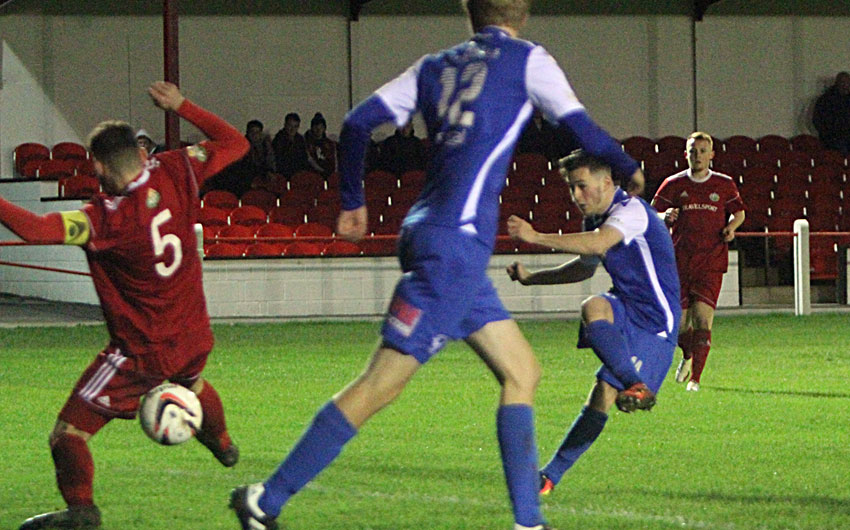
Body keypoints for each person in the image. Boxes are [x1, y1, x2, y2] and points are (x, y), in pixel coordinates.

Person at [229, 1, 643, 529]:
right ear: (525, 10)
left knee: (522, 371)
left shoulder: (434, 66)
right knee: (380, 384)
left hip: (439, 236)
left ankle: (529, 522)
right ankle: (265, 501)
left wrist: (353, 200)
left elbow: (357, 125)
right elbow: (587, 133)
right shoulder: (527, 60)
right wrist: (630, 170)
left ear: (469, 9)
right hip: (455, 247)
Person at [2, 81, 249, 530]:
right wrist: (181, 105)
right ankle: (223, 444)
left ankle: (82, 511)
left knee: (68, 434)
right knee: (190, 384)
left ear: (96, 164)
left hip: (140, 352)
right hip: (193, 333)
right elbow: (237, 143)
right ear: (140, 152)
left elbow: (36, 231)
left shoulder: (104, 220)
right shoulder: (178, 168)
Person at [505, 149, 680, 497]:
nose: (577, 196)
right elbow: (584, 267)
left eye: (582, 186)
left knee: (602, 395)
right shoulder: (595, 222)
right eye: (572, 188)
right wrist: (532, 280)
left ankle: (553, 472)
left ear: (606, 182)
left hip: (656, 325)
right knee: (593, 306)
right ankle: (634, 386)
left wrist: (536, 236)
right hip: (627, 306)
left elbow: (600, 243)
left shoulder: (630, 212)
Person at [651, 132, 745, 392]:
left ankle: (696, 380)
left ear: (712, 155)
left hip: (711, 261)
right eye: (693, 151)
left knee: (703, 320)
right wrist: (663, 215)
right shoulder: (673, 183)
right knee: (680, 325)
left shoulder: (724, 184)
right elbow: (652, 212)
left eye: (703, 151)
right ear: (686, 154)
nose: (698, 156)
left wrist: (731, 227)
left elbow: (739, 213)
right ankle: (688, 356)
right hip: (679, 261)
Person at [201, 119, 275, 196]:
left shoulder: (266, 147)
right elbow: (240, 168)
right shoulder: (242, 147)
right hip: (242, 182)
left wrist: (269, 171)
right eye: (252, 132)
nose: (255, 135)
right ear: (248, 133)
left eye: (257, 132)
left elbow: (269, 162)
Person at [812, 72, 850, 153]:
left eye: (848, 83)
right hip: (832, 141)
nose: (846, 86)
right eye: (843, 83)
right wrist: (829, 136)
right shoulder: (825, 100)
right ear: (837, 83)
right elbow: (817, 120)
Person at [271, 112, 309, 179]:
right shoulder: (278, 140)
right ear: (285, 125)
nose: (292, 129)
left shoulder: (300, 140)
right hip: (283, 175)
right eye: (290, 126)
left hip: (298, 175)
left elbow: (304, 158)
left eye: (295, 126)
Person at [303, 112, 338, 178]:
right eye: (316, 127)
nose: (318, 130)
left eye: (321, 127)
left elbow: (334, 162)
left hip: (329, 175)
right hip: (312, 176)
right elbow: (309, 160)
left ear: (324, 128)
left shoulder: (330, 144)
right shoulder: (306, 143)